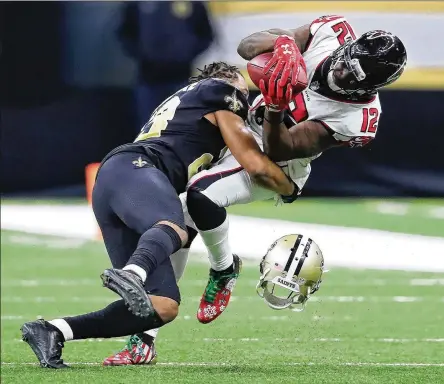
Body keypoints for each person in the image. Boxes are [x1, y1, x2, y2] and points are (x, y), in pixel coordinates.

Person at [100, 14, 408, 367]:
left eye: (351, 78)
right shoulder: (331, 32)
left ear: (367, 88)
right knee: (177, 216)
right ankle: (145, 335)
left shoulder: (358, 117)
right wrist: (283, 44)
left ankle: (222, 268)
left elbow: (283, 149)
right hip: (243, 129)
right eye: (344, 63)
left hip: (279, 160)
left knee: (201, 194)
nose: (339, 74)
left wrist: (276, 107)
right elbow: (246, 47)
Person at [20, 62, 299, 369]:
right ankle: (134, 273)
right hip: (137, 169)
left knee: (161, 306)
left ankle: (54, 331)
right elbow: (254, 163)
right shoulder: (221, 91)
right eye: (242, 92)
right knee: (172, 227)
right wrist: (289, 187)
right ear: (228, 83)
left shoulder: (192, 103)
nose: (243, 101)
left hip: (119, 185)